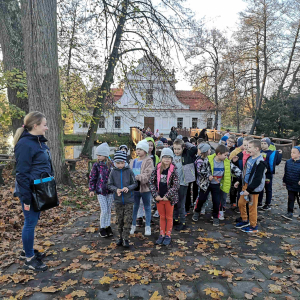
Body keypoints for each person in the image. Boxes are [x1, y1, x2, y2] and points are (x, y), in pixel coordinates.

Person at [14, 111, 50, 271]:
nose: (47, 128)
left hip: (40, 188)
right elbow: (21, 174)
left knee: (33, 222)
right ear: (35, 126)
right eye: (44, 125)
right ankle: (29, 258)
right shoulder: (25, 144)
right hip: (29, 190)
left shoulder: (38, 142)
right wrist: (26, 198)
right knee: (30, 222)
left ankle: (25, 251)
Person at [192, 145, 241, 226]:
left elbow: (236, 170)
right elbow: (201, 170)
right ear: (218, 154)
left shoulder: (227, 162)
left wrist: (240, 179)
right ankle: (197, 212)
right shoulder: (208, 159)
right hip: (206, 184)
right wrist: (208, 176)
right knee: (201, 199)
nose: (226, 157)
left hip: (217, 185)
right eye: (225, 155)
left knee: (217, 201)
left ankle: (215, 217)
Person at [149, 148, 180, 246]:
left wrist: (167, 196)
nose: (166, 159)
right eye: (165, 157)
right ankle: (162, 234)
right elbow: (151, 182)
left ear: (172, 159)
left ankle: (168, 235)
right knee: (162, 217)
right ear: (161, 158)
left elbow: (176, 185)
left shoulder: (174, 170)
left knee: (169, 217)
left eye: (169, 157)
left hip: (169, 199)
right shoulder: (157, 168)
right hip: (159, 198)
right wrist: (155, 195)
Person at [235, 140, 267, 233]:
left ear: (256, 149)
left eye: (249, 147)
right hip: (245, 185)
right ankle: (244, 219)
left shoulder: (260, 162)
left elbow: (257, 179)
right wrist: (238, 181)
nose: (247, 149)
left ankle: (253, 226)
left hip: (253, 189)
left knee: (252, 206)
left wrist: (249, 190)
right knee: (241, 203)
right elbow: (245, 171)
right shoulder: (250, 158)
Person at [108, 151, 137, 247]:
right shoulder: (112, 172)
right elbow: (109, 185)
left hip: (129, 200)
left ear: (125, 162)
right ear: (115, 163)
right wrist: (116, 190)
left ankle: (126, 238)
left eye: (122, 163)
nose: (120, 165)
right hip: (118, 200)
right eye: (118, 163)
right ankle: (120, 237)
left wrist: (128, 188)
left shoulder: (129, 171)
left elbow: (135, 184)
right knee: (119, 220)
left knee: (128, 220)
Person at [89, 143, 114, 238]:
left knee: (108, 209)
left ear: (105, 155)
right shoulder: (96, 165)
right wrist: (92, 189)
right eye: (97, 155)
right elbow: (92, 177)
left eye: (100, 155)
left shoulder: (111, 165)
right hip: (100, 191)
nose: (98, 157)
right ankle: (102, 227)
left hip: (110, 191)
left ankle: (108, 226)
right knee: (104, 209)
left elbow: (114, 177)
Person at [130, 140, 154, 236]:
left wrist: (138, 177)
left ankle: (147, 226)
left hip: (145, 188)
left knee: (147, 207)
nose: (138, 151)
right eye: (137, 149)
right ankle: (133, 225)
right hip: (135, 188)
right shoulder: (133, 161)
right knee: (135, 207)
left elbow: (149, 174)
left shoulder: (149, 161)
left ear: (145, 150)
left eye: (140, 149)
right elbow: (129, 172)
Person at [172, 138, 197, 230]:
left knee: (181, 203)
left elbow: (194, 148)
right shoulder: (172, 156)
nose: (176, 151)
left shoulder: (187, 155)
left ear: (183, 148)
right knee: (174, 202)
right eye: (175, 149)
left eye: (178, 149)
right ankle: (175, 219)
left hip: (183, 183)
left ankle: (182, 221)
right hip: (173, 184)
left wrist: (185, 143)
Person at [258, 138, 282, 210]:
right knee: (260, 188)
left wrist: (280, 155)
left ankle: (267, 203)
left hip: (268, 174)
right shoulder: (259, 152)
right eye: (262, 143)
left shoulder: (272, 153)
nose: (263, 145)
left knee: (268, 188)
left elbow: (276, 162)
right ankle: (259, 202)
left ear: (268, 144)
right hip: (260, 173)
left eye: (265, 143)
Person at [282, 146, 300, 220]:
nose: (292, 154)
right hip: (290, 184)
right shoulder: (288, 162)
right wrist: (284, 180)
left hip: (298, 186)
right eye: (291, 152)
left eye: (294, 153)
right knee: (290, 199)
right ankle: (289, 212)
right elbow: (286, 172)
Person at [194, 143, 211, 216]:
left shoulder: (208, 159)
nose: (211, 151)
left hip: (207, 182)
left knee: (207, 197)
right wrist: (208, 175)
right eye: (209, 150)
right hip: (201, 182)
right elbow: (200, 171)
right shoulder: (200, 160)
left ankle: (203, 207)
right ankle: (197, 207)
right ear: (206, 151)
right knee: (200, 196)